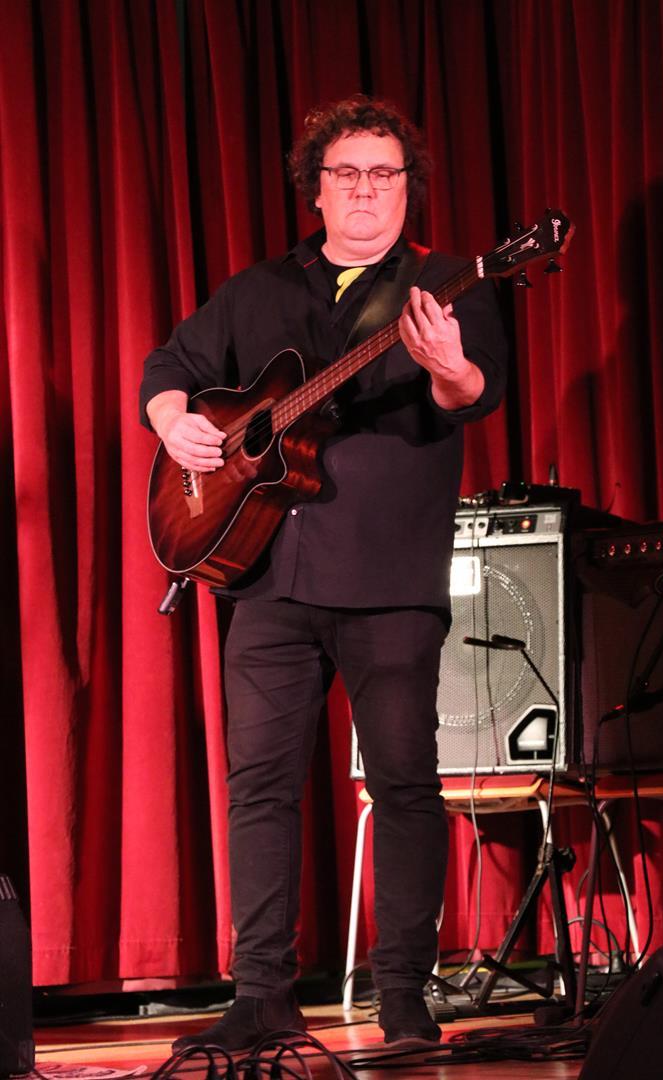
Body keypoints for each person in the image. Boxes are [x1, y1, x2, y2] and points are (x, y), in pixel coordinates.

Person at [140, 96, 506, 1052]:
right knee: (259, 788)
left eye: (384, 173)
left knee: (404, 784)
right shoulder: (260, 288)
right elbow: (168, 367)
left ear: (408, 187)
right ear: (316, 187)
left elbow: (474, 393)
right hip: (265, 574)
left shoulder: (448, 282)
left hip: (389, 578)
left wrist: (448, 367)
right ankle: (261, 994)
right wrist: (176, 424)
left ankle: (404, 997)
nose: (365, 190)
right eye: (347, 173)